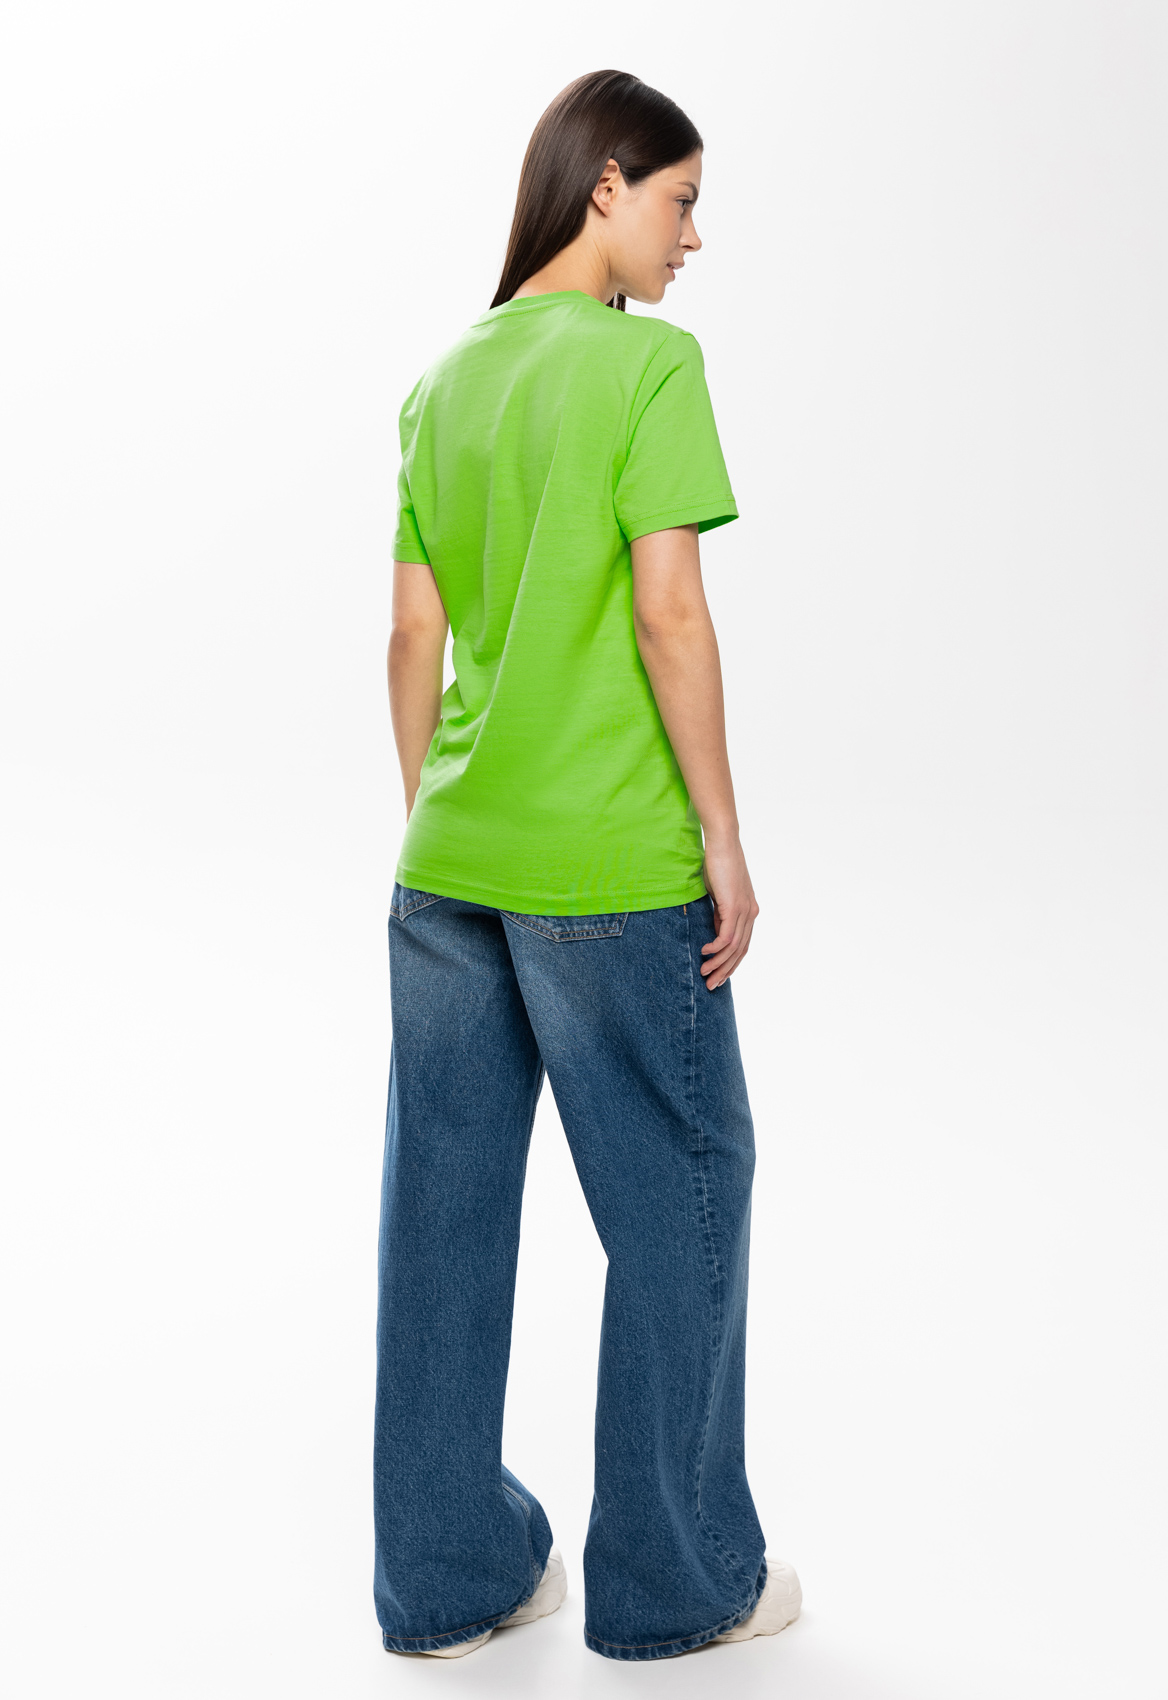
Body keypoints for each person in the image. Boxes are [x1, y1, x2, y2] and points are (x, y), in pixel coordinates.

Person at [375, 68, 801, 1664]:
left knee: (443, 1218)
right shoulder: (647, 367)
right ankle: (678, 1587)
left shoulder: (441, 383)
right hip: (611, 868)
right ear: (605, 182)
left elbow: (411, 637)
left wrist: (448, 819)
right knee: (685, 1191)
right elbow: (671, 614)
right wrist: (724, 839)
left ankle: (448, 1582)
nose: (693, 238)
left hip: (450, 862)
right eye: (680, 201)